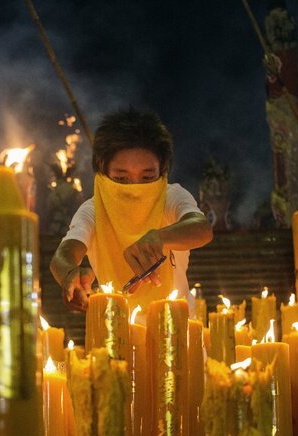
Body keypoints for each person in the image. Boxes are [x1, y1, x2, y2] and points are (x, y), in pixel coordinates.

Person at [50, 108, 213, 312]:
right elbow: (63, 255)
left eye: (147, 178)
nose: (135, 189)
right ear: (103, 174)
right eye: (121, 179)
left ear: (162, 172)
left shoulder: (170, 197)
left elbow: (201, 228)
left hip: (178, 333)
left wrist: (158, 237)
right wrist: (69, 275)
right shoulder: (94, 210)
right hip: (116, 334)